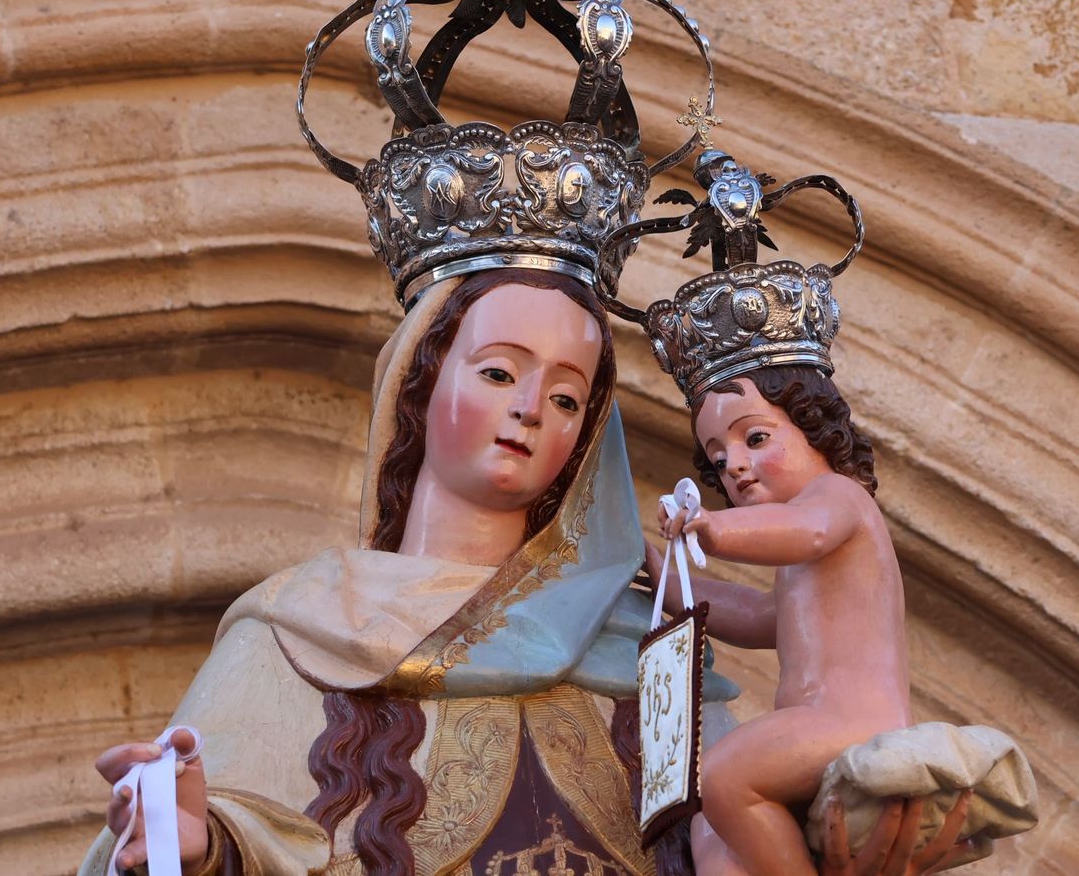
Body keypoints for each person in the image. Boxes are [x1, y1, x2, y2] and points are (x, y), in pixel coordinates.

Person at [80, 268, 721, 876]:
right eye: (498, 373)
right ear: (420, 383)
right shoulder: (298, 627)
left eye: (565, 398)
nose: (530, 408)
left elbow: (760, 829)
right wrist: (198, 845)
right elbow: (220, 834)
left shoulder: (647, 648)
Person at [651, 365, 925, 876]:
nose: (734, 465)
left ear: (816, 431)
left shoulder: (839, 498)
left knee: (725, 777)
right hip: (810, 727)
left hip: (854, 723)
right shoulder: (798, 567)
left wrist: (715, 528)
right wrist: (668, 584)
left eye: (755, 438)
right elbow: (761, 617)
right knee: (710, 831)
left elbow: (809, 530)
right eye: (718, 458)